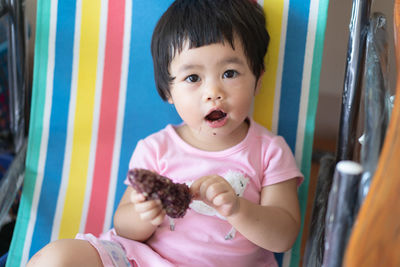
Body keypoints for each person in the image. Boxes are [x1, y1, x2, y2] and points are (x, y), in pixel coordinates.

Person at [27, 0, 303, 266]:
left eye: (229, 73)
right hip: (145, 260)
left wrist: (238, 209)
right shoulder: (155, 149)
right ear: (168, 91)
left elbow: (284, 236)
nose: (213, 93)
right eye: (193, 78)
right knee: (56, 258)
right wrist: (145, 214)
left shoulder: (270, 151)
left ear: (258, 79)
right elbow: (123, 227)